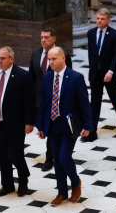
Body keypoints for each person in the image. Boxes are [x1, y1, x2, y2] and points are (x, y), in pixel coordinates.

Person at [0, 47, 35, 197]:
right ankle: (7, 184)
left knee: (15, 154)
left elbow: (30, 102)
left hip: (16, 124)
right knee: (2, 155)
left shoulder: (23, 76)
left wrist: (30, 122)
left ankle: (23, 181)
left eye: (3, 58)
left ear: (12, 59)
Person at [38, 47, 92, 206]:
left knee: (64, 157)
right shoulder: (47, 78)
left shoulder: (76, 77)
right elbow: (43, 104)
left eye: (54, 59)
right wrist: (41, 126)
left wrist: (87, 125)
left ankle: (75, 182)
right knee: (57, 159)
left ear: (63, 58)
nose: (51, 62)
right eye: (49, 59)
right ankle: (62, 192)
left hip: (70, 125)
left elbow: (85, 103)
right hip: (53, 125)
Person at [29, 27, 72, 172]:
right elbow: (32, 79)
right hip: (38, 101)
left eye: (46, 37)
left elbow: (68, 78)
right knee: (41, 128)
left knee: (51, 131)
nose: (43, 40)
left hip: (54, 102)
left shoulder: (63, 55)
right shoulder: (35, 54)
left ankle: (50, 159)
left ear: (54, 38)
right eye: (41, 37)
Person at [85, 8, 116, 142]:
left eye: (102, 19)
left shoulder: (114, 34)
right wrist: (91, 69)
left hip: (109, 74)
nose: (99, 21)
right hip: (95, 74)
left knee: (115, 99)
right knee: (95, 102)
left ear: (108, 20)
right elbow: (91, 53)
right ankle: (92, 130)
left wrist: (111, 71)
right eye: (97, 18)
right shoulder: (91, 33)